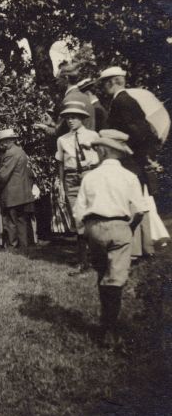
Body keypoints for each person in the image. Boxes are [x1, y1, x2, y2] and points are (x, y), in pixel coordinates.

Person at [72, 129, 148, 345]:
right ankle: (110, 328)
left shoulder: (90, 177)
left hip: (94, 227)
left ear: (103, 151)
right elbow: (140, 209)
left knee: (102, 273)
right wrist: (128, 228)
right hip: (120, 225)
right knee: (115, 279)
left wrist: (84, 231)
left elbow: (79, 210)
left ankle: (105, 322)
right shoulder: (129, 177)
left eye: (97, 149)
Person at [99, 66, 156, 258]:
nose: (103, 88)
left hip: (129, 159)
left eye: (104, 84)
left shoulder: (121, 102)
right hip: (135, 158)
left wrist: (125, 146)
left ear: (112, 82)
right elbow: (145, 132)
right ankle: (144, 247)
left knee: (131, 202)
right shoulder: (128, 100)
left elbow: (137, 133)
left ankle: (135, 249)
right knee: (138, 200)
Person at [55, 101, 100, 275]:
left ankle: (97, 256)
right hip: (71, 178)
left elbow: (100, 158)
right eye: (67, 118)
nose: (70, 121)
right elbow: (60, 163)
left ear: (82, 118)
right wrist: (60, 182)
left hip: (89, 175)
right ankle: (83, 261)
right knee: (78, 217)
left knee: (94, 215)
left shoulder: (93, 135)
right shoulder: (62, 140)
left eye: (74, 117)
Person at [0, 129, 35, 250]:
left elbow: (3, 175)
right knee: (21, 220)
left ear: (9, 140)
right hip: (22, 192)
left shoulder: (10, 153)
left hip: (11, 193)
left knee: (10, 221)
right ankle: (24, 245)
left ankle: (12, 246)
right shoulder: (21, 151)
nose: (2, 144)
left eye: (3, 141)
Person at [34, 62, 96, 137]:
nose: (57, 83)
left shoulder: (69, 99)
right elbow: (70, 126)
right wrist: (52, 123)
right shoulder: (84, 97)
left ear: (66, 78)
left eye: (58, 79)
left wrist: (44, 128)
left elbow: (60, 133)